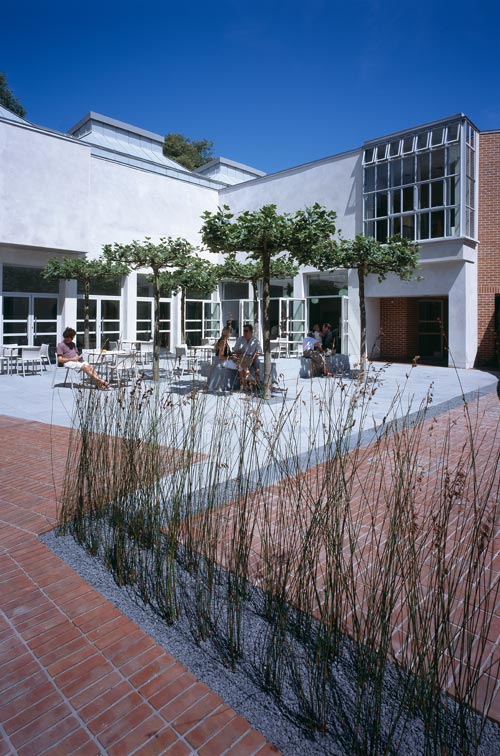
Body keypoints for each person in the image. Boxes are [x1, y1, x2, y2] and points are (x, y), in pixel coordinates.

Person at [232, 323, 262, 388]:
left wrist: (255, 355)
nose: (244, 333)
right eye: (244, 331)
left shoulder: (255, 340)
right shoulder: (240, 339)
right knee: (240, 365)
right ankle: (246, 384)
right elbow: (235, 350)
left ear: (251, 332)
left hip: (252, 358)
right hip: (242, 357)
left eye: (246, 331)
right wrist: (237, 353)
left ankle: (255, 380)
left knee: (256, 362)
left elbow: (259, 352)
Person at [207, 327, 234, 391]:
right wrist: (230, 357)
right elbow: (220, 356)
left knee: (238, 364)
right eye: (230, 332)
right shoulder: (223, 341)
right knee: (239, 365)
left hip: (219, 361)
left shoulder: (221, 340)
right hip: (221, 361)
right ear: (228, 333)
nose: (231, 334)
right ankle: (239, 384)